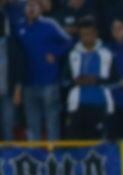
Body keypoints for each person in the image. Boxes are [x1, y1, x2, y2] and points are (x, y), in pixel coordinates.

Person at [16, 0, 73, 140]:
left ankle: (53, 154)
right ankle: (34, 154)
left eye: (34, 6)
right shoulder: (19, 27)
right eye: (28, 6)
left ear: (40, 9)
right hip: (28, 82)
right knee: (32, 122)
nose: (31, 9)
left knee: (51, 120)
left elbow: (69, 42)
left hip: (49, 81)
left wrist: (55, 53)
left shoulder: (49, 24)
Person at [65, 17, 114, 140]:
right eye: (83, 34)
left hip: (99, 103)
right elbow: (64, 78)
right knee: (76, 141)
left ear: (95, 34)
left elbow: (115, 78)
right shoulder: (73, 54)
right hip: (77, 105)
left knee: (98, 141)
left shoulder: (106, 53)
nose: (86, 37)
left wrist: (96, 80)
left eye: (89, 34)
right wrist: (75, 81)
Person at [0, 7, 26, 141]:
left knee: (7, 126)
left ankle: (7, 159)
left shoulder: (12, 44)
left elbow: (19, 68)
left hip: (7, 93)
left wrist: (17, 89)